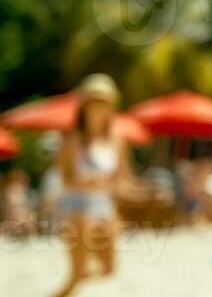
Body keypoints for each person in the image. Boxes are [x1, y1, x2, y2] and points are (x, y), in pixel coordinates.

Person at [54, 74, 136, 297]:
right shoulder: (72, 139)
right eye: (94, 102)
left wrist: (146, 191)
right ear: (84, 106)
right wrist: (88, 182)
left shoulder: (117, 139)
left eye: (103, 102)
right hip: (77, 206)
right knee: (77, 274)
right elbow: (65, 179)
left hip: (104, 207)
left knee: (109, 270)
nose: (99, 107)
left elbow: (124, 179)